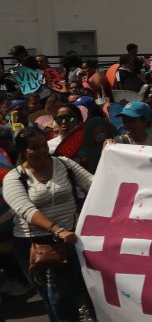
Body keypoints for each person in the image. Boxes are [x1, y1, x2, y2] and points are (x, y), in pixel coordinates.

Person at [2, 127, 92, 322]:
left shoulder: (64, 164)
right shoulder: (13, 178)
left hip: (67, 241)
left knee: (60, 296)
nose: (42, 151)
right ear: (22, 151)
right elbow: (26, 210)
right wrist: (57, 230)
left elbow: (93, 183)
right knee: (51, 298)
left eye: (44, 145)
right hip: (33, 245)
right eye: (34, 147)